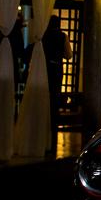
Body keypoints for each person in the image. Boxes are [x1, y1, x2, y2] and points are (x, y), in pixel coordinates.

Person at [41, 15, 72, 152]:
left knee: (44, 95)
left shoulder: (44, 35)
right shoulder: (62, 36)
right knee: (55, 96)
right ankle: (54, 123)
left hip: (45, 67)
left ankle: (43, 122)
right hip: (57, 68)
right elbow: (68, 55)